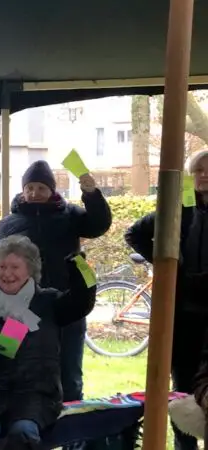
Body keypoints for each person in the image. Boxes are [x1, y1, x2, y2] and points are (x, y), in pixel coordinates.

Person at [0, 235, 96, 450]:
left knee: (23, 432)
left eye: (15, 267)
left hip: (36, 395)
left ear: (30, 271)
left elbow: (83, 301)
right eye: (2, 267)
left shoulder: (48, 302)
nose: (7, 274)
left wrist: (79, 266)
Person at [0, 160, 111, 405]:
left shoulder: (70, 215)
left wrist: (91, 195)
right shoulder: (9, 223)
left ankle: (71, 422)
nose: (35, 193)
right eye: (30, 188)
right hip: (19, 310)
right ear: (23, 190)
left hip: (66, 307)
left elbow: (99, 224)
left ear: (52, 190)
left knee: (69, 375)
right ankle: (21, 420)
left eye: (41, 188)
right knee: (12, 368)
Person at [125, 149, 208, 450]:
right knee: (182, 387)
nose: (204, 176)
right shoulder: (180, 206)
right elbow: (134, 234)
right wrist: (168, 265)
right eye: (199, 170)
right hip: (182, 313)